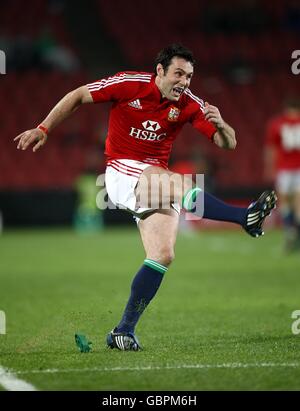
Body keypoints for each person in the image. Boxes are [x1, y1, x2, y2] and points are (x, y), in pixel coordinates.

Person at [14, 44, 276, 351]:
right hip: (121, 172)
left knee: (162, 255)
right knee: (181, 182)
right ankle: (243, 217)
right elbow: (78, 95)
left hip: (152, 180)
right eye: (179, 73)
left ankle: (123, 330)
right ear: (161, 71)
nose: (185, 82)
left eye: (190, 76)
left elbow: (227, 143)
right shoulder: (129, 84)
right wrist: (44, 128)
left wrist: (222, 125)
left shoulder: (190, 103)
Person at [264, 97, 300, 251]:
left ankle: (289, 233)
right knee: (298, 204)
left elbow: (271, 148)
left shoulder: (277, 123)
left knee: (285, 203)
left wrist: (269, 168)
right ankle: (296, 235)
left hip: (284, 168)